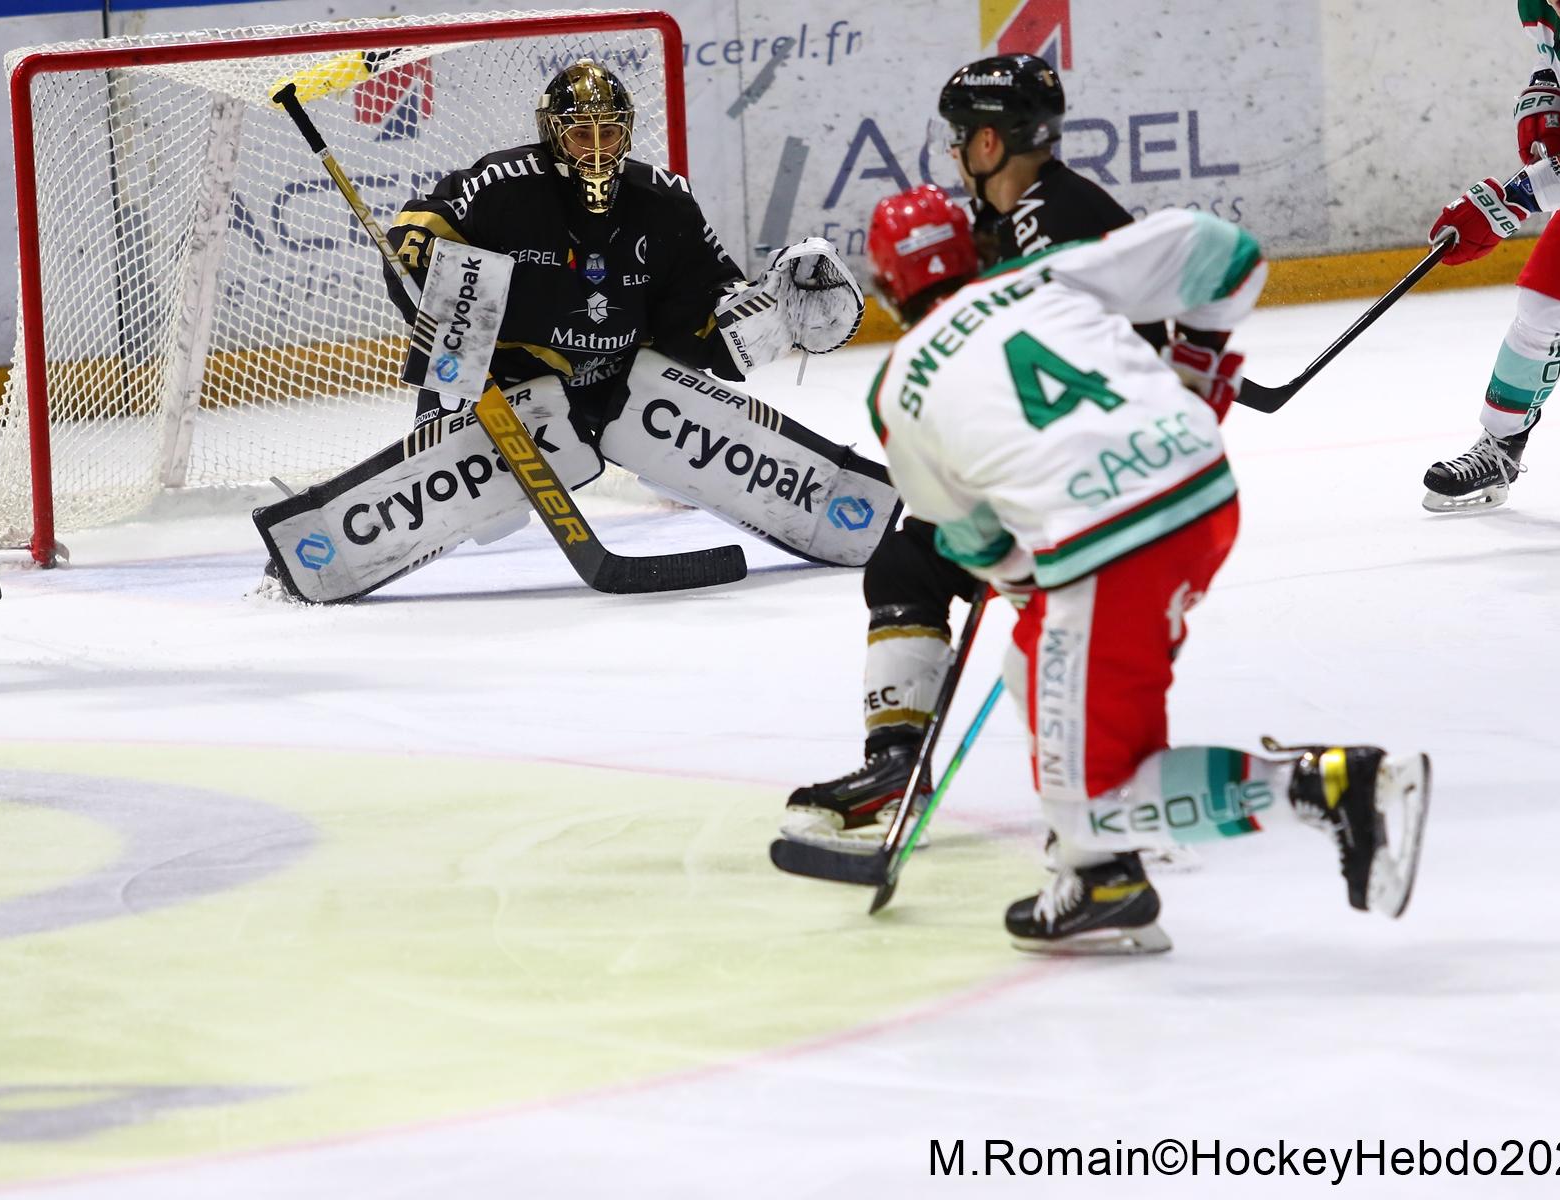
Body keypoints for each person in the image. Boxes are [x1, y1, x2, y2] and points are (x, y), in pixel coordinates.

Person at [867, 206, 1430, 953]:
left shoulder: (895, 389)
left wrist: (1032, 592)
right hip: (1199, 489)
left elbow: (974, 540)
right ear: (972, 250)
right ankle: (1103, 884)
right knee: (1033, 659)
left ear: (883, 286)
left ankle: (1329, 785)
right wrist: (1196, 367)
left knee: (1092, 804)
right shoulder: (1042, 274)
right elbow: (1231, 253)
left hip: (1107, 543)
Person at [781, 55, 1244, 847]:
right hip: (1088, 457)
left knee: (993, 609)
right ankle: (947, 769)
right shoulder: (1029, 212)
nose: (955, 152)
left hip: (1083, 471)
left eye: (961, 138)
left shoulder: (1050, 223)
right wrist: (1195, 366)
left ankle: (1103, 812)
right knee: (917, 569)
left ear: (990, 142)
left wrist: (1192, 368)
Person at [382, 59, 861, 441]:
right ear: (553, 133)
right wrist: (418, 257)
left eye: (607, 131)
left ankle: (664, 451)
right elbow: (420, 230)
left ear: (626, 131)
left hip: (618, 375)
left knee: (676, 421)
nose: (596, 148)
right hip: (509, 373)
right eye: (580, 133)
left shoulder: (665, 202)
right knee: (458, 276)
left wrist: (763, 322)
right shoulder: (503, 186)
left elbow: (702, 305)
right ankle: (456, 430)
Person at [1422, 0, 1560, 511]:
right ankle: (1499, 450)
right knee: (1541, 308)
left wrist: (1503, 204)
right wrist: (1547, 86)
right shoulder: (1540, 6)